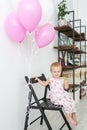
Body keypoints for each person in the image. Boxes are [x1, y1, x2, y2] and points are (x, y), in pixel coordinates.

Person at [35, 62, 78, 126]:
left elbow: (66, 88)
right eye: (54, 71)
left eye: (58, 71)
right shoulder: (50, 79)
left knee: (71, 100)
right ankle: (68, 116)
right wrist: (38, 80)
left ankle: (73, 113)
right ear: (51, 72)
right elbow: (44, 84)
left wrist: (66, 82)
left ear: (61, 71)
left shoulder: (62, 78)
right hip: (55, 97)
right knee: (65, 103)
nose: (57, 73)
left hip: (62, 94)